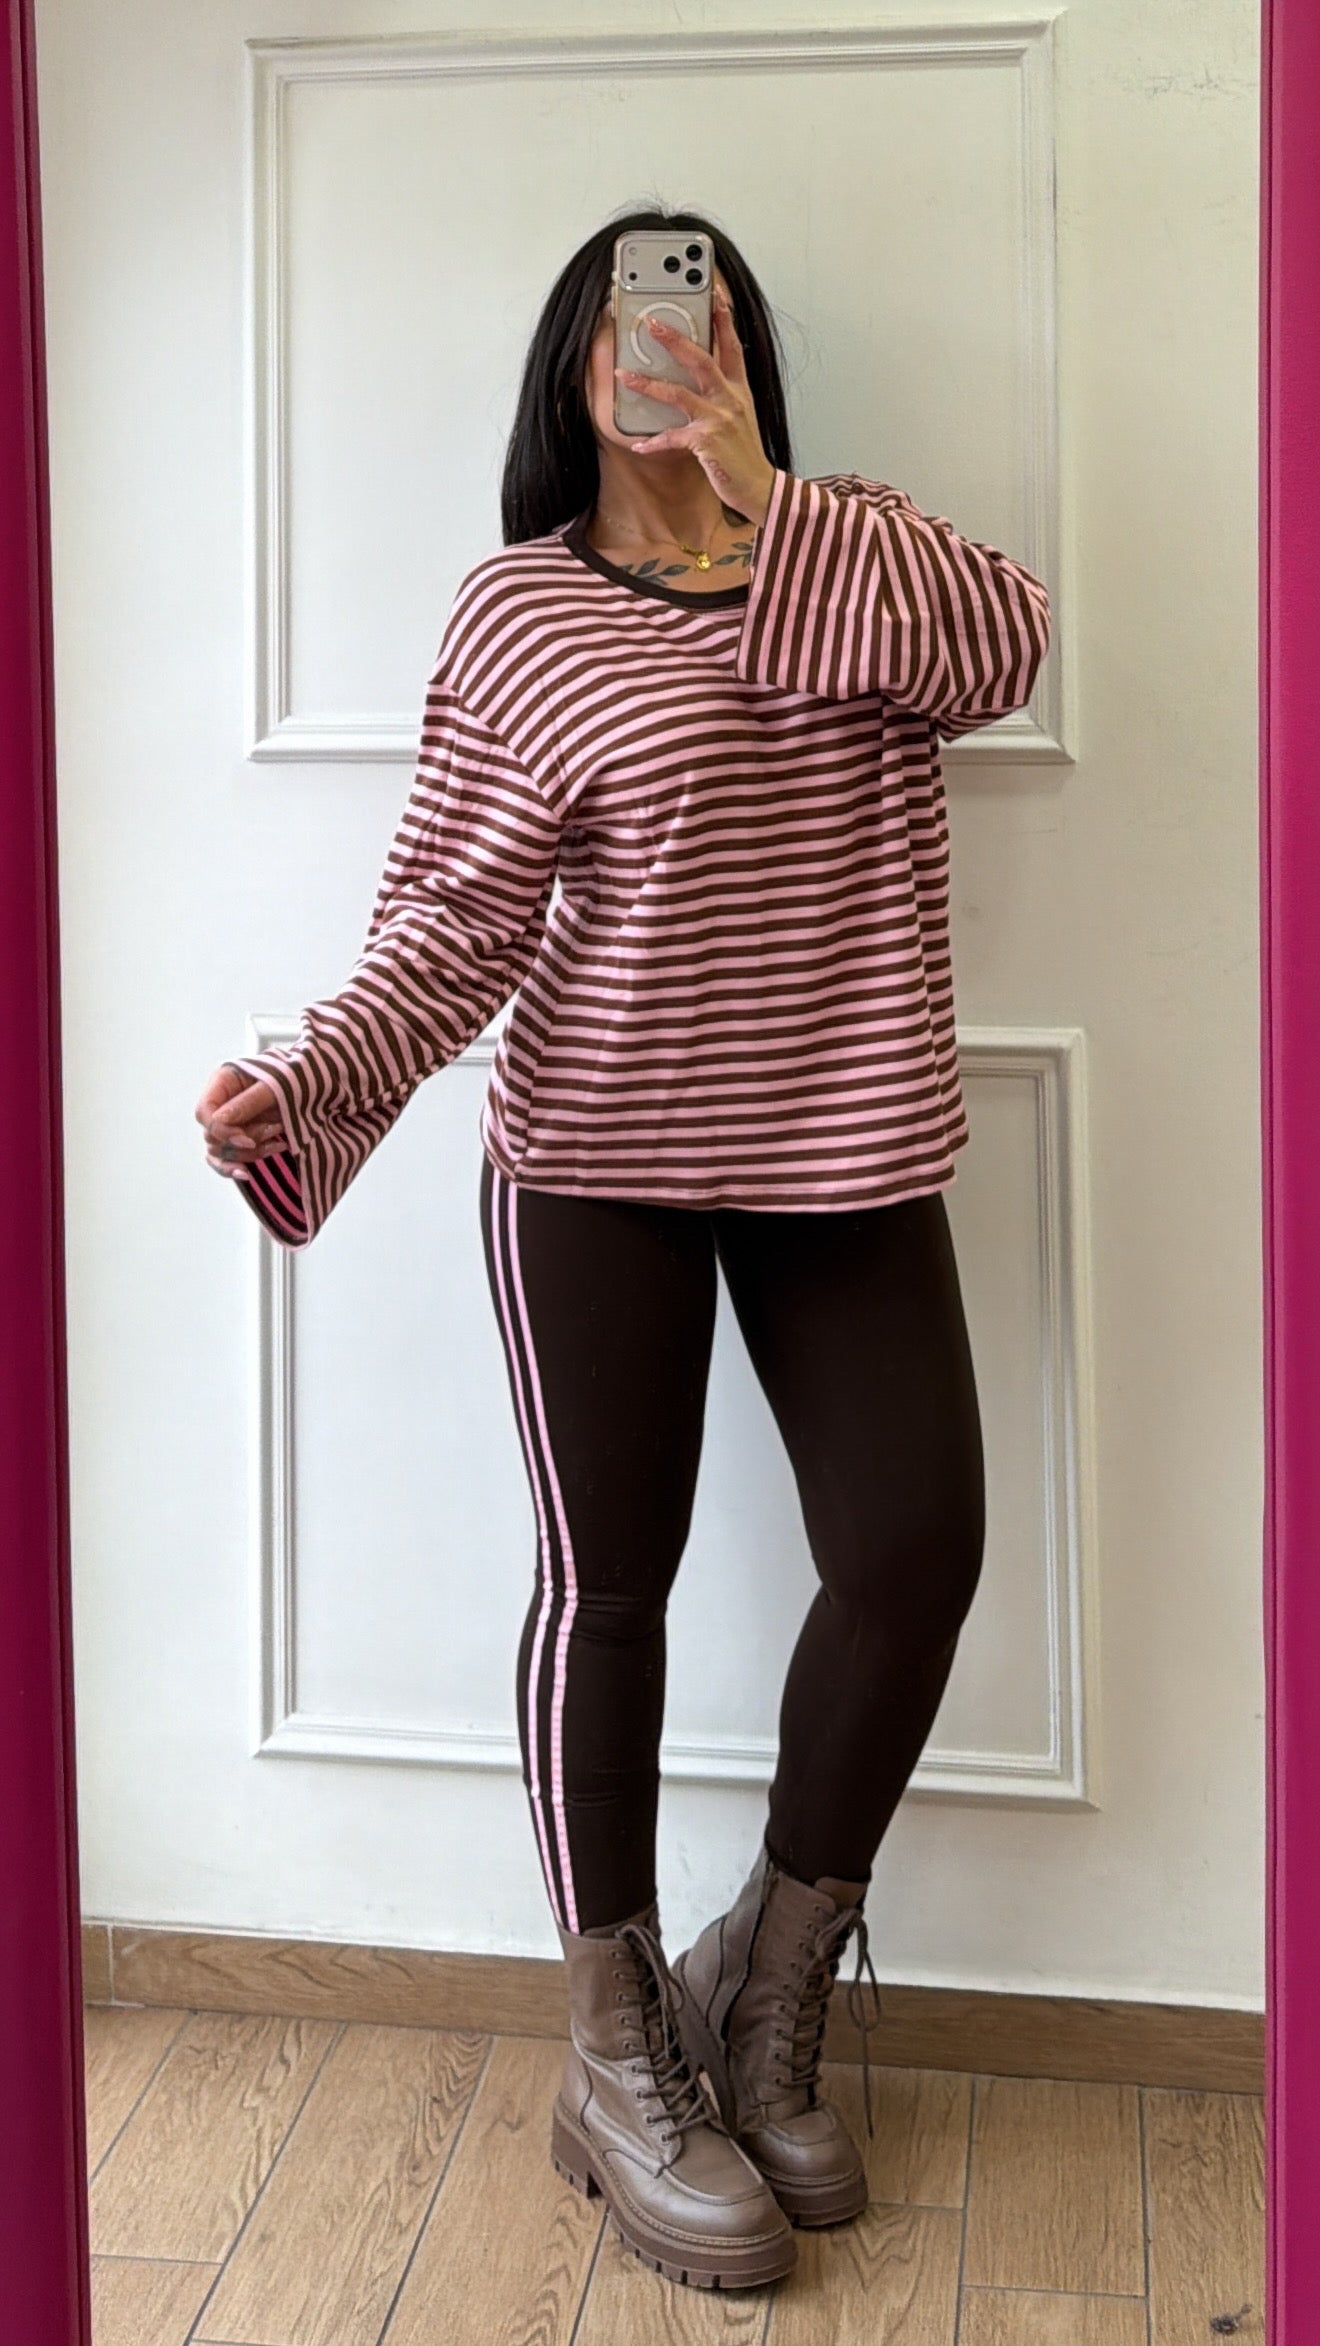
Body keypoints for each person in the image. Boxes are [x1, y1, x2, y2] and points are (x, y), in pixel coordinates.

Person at [195, 205, 1051, 2294]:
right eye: (633, 316)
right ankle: (612, 2048)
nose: (669, 343)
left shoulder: (860, 555)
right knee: (615, 1581)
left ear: (745, 360)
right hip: (600, 1157)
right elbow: (454, 915)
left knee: (915, 1550)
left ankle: (763, 1983)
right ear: (573, 364)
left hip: (842, 1149)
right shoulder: (524, 609)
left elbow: (1008, 651)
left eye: (707, 313)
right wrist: (307, 1076)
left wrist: (764, 495)